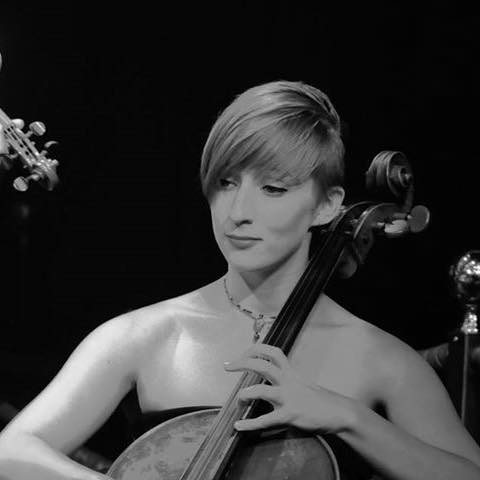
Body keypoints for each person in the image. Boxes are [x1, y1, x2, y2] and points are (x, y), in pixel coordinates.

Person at [0, 80, 480, 480]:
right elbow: (11, 452)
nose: (238, 212)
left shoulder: (382, 358)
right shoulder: (145, 334)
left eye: (273, 188)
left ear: (327, 205)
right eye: (226, 183)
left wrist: (349, 417)